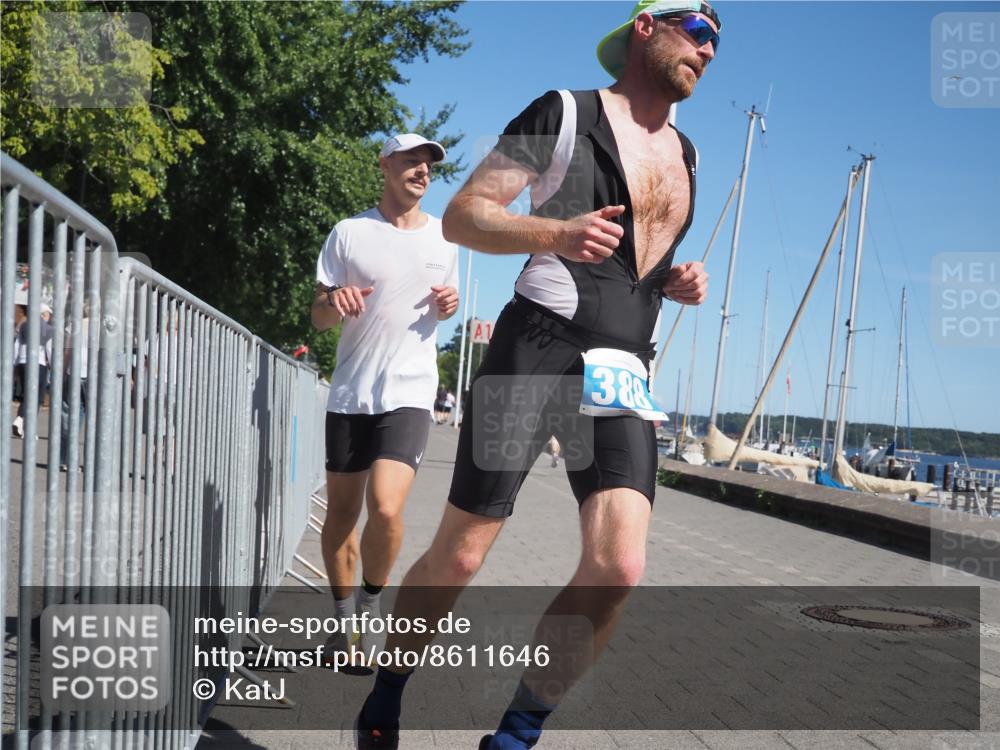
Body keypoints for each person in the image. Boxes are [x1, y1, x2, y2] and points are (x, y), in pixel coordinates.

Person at [354, 1, 716, 748]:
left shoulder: (689, 156)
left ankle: (515, 737)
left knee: (619, 566)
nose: (710, 52)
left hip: (621, 368)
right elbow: (463, 215)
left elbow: (636, 258)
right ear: (647, 27)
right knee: (461, 551)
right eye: (700, 33)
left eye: (719, 43)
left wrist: (674, 278)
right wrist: (555, 231)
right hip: (537, 347)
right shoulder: (565, 112)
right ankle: (387, 692)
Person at [310, 133, 459, 664]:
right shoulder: (350, 232)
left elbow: (444, 311)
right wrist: (335, 299)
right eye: (412, 161)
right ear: (386, 165)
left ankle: (369, 610)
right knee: (343, 513)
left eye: (429, 165)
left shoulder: (446, 238)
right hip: (351, 391)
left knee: (387, 506)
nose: (422, 170)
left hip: (410, 392)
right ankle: (344, 623)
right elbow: (319, 315)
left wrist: (450, 304)